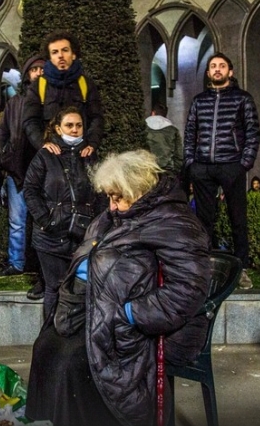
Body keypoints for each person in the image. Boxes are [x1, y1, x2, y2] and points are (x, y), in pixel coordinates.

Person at [25, 150, 210, 426]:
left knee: (74, 361)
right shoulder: (118, 215)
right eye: (109, 197)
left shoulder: (175, 222)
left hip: (146, 325)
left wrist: (128, 314)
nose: (111, 206)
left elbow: (188, 289)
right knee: (46, 347)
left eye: (117, 197)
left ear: (139, 191)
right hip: (103, 311)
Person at [183, 52, 260, 289]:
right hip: (203, 167)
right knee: (203, 221)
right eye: (213, 66)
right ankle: (204, 269)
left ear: (230, 71)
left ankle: (241, 269)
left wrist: (244, 164)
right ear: (208, 72)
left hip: (231, 165)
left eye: (222, 66)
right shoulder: (199, 101)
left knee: (238, 219)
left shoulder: (242, 98)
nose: (217, 69)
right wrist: (191, 163)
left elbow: (253, 132)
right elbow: (190, 132)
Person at [23, 107, 102, 317]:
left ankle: (72, 332)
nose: (75, 130)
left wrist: (98, 227)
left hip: (82, 235)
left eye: (79, 125)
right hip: (50, 236)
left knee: (81, 288)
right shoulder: (45, 155)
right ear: (58, 128)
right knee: (55, 287)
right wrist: (46, 220)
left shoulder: (90, 156)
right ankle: (52, 333)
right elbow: (30, 190)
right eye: (69, 125)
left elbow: (101, 193)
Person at [0, 56, 45, 278]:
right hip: (18, 169)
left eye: (42, 69)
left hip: (44, 168)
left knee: (44, 218)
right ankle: (16, 263)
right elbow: (2, 131)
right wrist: (3, 154)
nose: (39, 73)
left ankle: (42, 264)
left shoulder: (52, 99)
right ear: (27, 74)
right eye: (34, 69)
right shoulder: (15, 103)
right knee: (17, 220)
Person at [22, 30, 104, 157]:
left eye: (65, 50)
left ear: (73, 54)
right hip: (51, 157)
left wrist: (92, 144)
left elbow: (96, 117)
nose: (60, 55)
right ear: (49, 58)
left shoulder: (86, 84)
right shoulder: (38, 86)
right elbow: (30, 120)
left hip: (81, 155)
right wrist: (43, 144)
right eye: (55, 52)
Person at [145, 102, 183, 175]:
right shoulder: (173, 130)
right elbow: (179, 154)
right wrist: (175, 170)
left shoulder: (143, 128)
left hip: (147, 169)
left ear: (153, 113)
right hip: (167, 170)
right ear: (165, 115)